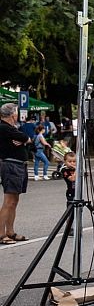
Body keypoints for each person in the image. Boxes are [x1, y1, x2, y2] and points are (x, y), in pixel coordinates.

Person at [1, 102, 30, 244]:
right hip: (11, 165)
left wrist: (23, 141)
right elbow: (26, 138)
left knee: (14, 201)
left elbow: (26, 139)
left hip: (18, 164)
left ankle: (10, 231)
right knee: (8, 201)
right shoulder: (4, 127)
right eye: (16, 112)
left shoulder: (11, 128)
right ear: (13, 114)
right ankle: (1, 234)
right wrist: (23, 140)